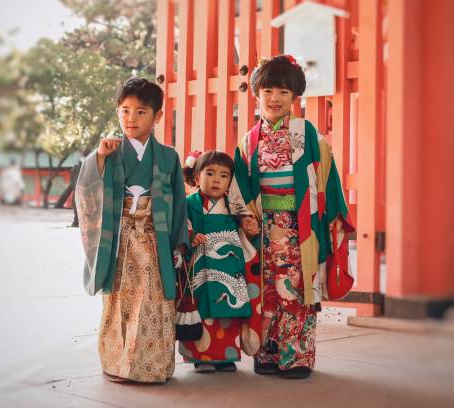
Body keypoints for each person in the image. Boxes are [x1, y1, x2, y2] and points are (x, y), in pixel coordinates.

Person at [229, 55, 354, 379]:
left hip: (300, 227)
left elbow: (327, 181)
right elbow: (240, 186)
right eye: (268, 90)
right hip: (263, 226)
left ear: (295, 96)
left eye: (283, 92)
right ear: (257, 93)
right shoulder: (249, 140)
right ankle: (268, 355)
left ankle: (296, 357)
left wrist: (332, 220)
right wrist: (246, 217)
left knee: (297, 292)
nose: (274, 99)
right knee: (267, 289)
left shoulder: (308, 134)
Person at [75, 78, 188, 383]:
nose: (131, 119)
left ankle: (150, 367)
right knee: (120, 299)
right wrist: (98, 157)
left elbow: (179, 202)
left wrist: (179, 242)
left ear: (157, 116)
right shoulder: (110, 152)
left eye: (140, 112)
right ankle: (118, 363)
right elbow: (87, 187)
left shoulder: (168, 157)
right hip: (120, 239)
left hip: (154, 239)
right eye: (124, 111)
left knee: (153, 300)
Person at [178, 150, 253, 373]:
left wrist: (249, 223)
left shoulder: (233, 204)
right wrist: (191, 236)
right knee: (201, 309)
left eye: (223, 175)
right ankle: (200, 357)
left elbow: (247, 226)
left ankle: (226, 356)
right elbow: (180, 227)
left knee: (229, 310)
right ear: (196, 176)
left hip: (228, 267)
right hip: (199, 266)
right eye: (209, 173)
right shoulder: (189, 203)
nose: (216, 180)